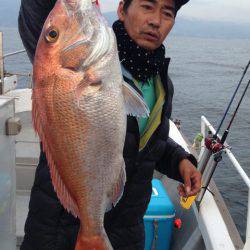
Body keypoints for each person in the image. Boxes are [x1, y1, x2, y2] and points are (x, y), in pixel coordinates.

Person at [18, 0, 201, 249]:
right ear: (121, 10)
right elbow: (37, 13)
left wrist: (180, 161)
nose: (156, 20)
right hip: (58, 233)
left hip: (126, 234)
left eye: (167, 13)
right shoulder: (73, 66)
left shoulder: (160, 83)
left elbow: (145, 142)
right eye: (147, 6)